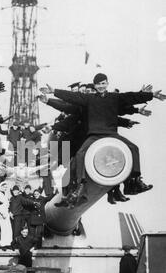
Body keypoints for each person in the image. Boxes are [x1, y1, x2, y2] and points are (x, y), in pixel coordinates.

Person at [40, 73, 166, 207]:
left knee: (134, 148)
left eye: (103, 83)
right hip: (94, 135)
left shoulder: (114, 98)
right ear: (95, 86)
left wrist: (151, 95)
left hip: (111, 134)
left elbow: (130, 97)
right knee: (80, 155)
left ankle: (133, 182)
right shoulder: (88, 99)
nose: (101, 86)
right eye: (98, 84)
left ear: (107, 84)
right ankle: (79, 186)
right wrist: (54, 92)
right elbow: (72, 98)